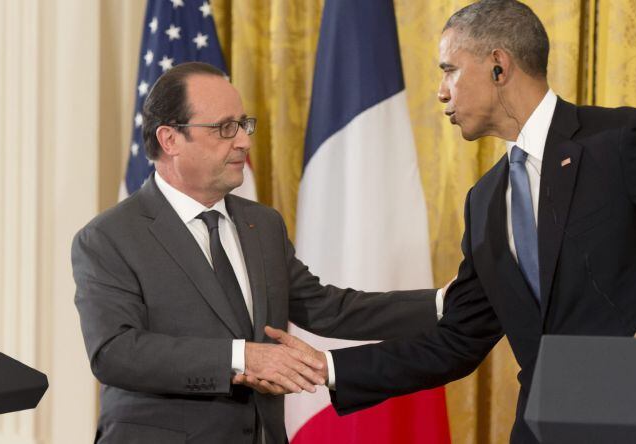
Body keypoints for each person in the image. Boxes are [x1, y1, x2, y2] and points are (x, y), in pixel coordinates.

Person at [268, 1, 636, 442]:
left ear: (498, 65)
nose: (441, 92)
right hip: (542, 425)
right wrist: (326, 366)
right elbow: (456, 342)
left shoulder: (619, 142)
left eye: (449, 71)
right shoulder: (484, 201)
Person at [72, 62, 442, 443]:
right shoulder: (109, 237)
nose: (244, 142)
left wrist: (443, 304)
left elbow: (327, 308)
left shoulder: (261, 225)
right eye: (224, 128)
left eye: (243, 124)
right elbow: (115, 352)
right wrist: (242, 358)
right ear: (170, 139)